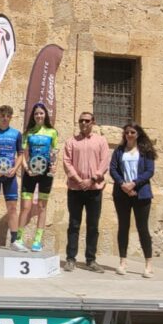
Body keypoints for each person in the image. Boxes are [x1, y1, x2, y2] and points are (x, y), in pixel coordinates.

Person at [62, 111, 111, 272]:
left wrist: (91, 179)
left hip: (94, 190)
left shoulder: (101, 141)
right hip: (75, 189)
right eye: (81, 120)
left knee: (93, 226)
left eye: (87, 120)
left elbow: (104, 162)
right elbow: (67, 162)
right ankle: (70, 259)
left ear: (93, 122)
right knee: (74, 224)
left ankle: (91, 260)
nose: (83, 123)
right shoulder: (71, 142)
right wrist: (78, 179)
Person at [110, 123, 157, 277]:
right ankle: (123, 262)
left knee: (142, 228)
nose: (129, 135)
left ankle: (148, 263)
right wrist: (123, 184)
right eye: (127, 132)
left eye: (132, 132)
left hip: (141, 194)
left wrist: (134, 184)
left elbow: (149, 171)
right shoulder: (119, 151)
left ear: (138, 134)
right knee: (123, 227)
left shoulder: (145, 151)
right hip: (122, 194)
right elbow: (113, 169)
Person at [0, 105, 26, 250]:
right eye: (2, 115)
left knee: (12, 208)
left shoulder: (16, 134)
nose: (5, 118)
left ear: (11, 117)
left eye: (8, 116)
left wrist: (15, 168)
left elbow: (21, 154)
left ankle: (14, 241)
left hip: (10, 176)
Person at [21, 103, 60, 252]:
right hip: (30, 173)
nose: (39, 116)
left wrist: (54, 165)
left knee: (42, 207)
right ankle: (19, 238)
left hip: (45, 173)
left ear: (45, 115)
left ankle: (37, 240)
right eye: (36, 113)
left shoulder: (52, 132)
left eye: (41, 113)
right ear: (33, 115)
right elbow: (22, 154)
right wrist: (26, 168)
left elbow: (55, 152)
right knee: (26, 207)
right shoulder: (28, 133)